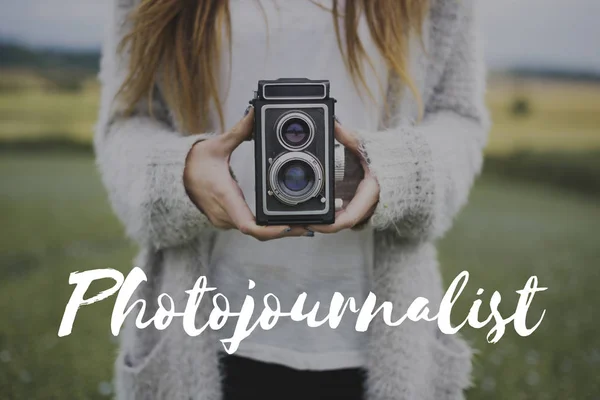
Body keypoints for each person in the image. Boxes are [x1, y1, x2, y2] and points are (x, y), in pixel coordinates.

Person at [95, 0, 489, 399]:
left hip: (378, 336)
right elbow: (126, 120)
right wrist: (179, 172)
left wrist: (401, 171)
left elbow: (457, 114)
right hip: (201, 333)